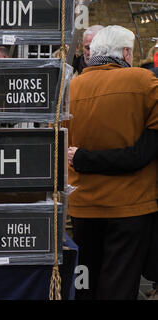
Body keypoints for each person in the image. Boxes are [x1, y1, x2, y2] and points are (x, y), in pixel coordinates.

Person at [63, 25, 158, 300]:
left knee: (85, 281)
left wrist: (81, 159)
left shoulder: (70, 89)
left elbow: (61, 148)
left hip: (84, 206)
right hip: (130, 206)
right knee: (119, 282)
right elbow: (143, 153)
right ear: (126, 52)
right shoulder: (146, 83)